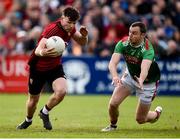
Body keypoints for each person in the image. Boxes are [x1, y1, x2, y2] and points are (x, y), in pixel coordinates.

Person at [17, 6, 88, 130]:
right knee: (33, 100)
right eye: (69, 22)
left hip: (54, 67)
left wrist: (84, 36)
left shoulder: (71, 29)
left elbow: (82, 42)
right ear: (62, 18)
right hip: (38, 68)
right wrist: (43, 53)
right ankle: (28, 120)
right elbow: (39, 49)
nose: (71, 25)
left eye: (74, 23)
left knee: (62, 91)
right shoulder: (52, 30)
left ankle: (44, 112)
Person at [101, 22, 162, 132]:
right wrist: (115, 76)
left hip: (148, 83)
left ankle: (156, 114)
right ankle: (113, 126)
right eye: (129, 32)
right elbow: (112, 63)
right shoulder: (123, 43)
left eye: (134, 33)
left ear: (142, 35)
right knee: (113, 104)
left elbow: (144, 68)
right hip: (130, 76)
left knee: (140, 119)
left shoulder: (148, 49)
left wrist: (141, 80)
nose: (130, 35)